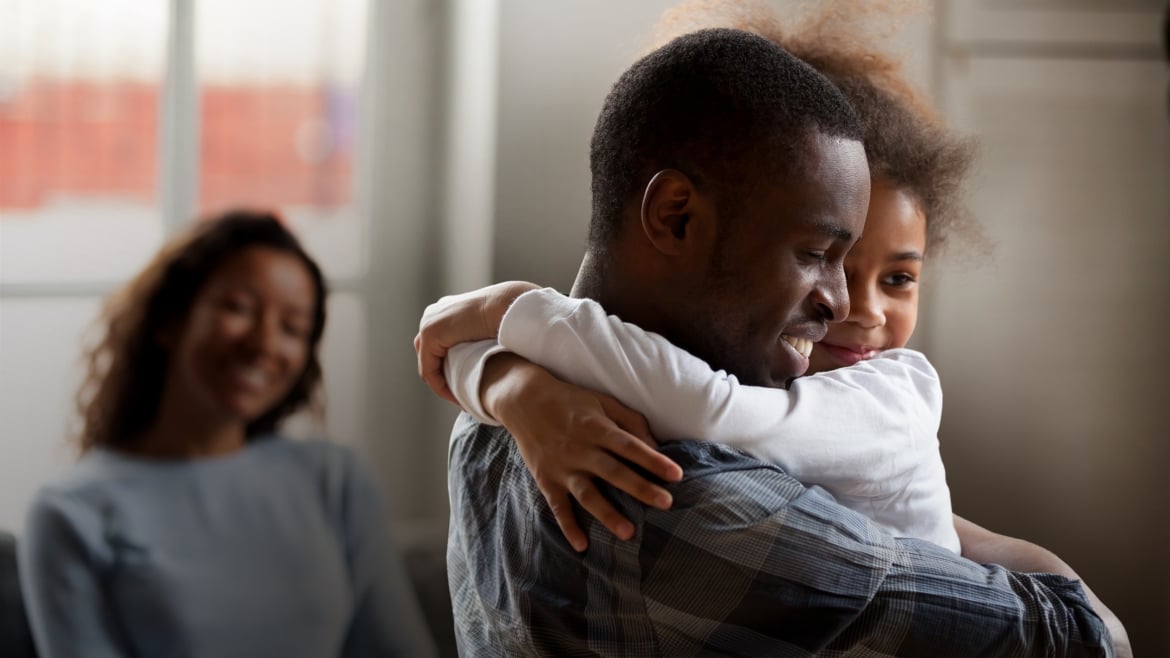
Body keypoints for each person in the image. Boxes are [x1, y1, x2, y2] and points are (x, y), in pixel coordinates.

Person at [419, 8, 1130, 654]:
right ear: (675, 216)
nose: (841, 303)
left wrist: (493, 362)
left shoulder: (495, 419)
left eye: (890, 274)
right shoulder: (685, 499)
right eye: (818, 254)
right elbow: (1082, 638)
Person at [19, 210, 436, 658]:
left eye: (292, 328)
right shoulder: (71, 512)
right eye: (238, 308)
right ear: (169, 321)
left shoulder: (336, 481)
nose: (264, 344)